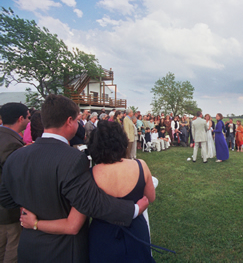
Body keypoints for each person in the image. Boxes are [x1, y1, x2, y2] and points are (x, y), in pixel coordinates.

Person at [0, 94, 149, 262]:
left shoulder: (16, 156)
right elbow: (90, 201)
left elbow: (6, 199)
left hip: (29, 246)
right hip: (64, 250)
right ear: (69, 121)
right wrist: (133, 210)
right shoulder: (73, 159)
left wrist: (30, 214)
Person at [20, 121, 156, 262]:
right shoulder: (140, 165)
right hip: (136, 229)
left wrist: (35, 223)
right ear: (122, 142)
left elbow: (72, 224)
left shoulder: (89, 175)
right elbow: (150, 197)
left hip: (103, 236)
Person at [0, 102, 30, 262]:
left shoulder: (6, 138)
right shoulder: (11, 143)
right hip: (7, 210)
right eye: (28, 117)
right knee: (12, 247)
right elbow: (15, 177)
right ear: (21, 118)